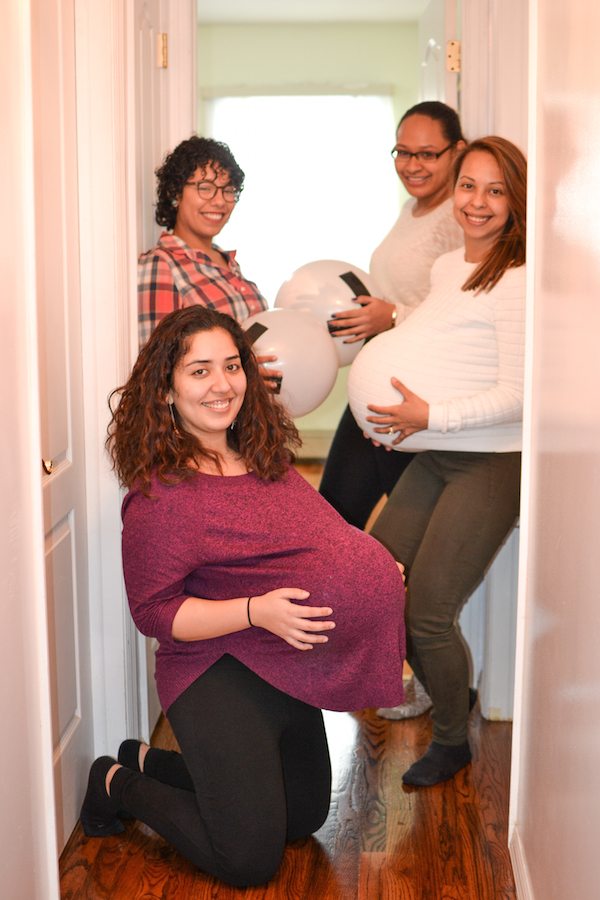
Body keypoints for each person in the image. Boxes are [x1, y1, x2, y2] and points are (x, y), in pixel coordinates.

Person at [79, 306, 406, 887]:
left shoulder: (263, 459)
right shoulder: (161, 497)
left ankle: (151, 760)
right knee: (249, 860)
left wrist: (378, 568)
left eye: (231, 366)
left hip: (284, 661)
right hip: (214, 666)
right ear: (165, 391)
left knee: (302, 817)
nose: (222, 384)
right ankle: (117, 782)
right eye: (199, 370)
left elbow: (325, 535)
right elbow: (153, 613)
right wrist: (257, 611)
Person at [361, 136, 527, 786]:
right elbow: (432, 339)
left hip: (489, 461)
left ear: (515, 202)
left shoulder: (519, 281)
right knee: (379, 580)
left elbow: (518, 394)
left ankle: (453, 739)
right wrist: (390, 417)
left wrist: (429, 419)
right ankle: (452, 691)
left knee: (428, 609)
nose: (477, 202)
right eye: (469, 186)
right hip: (433, 456)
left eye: (495, 190)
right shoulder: (449, 265)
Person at [320, 101, 466, 719]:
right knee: (329, 525)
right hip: (375, 401)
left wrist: (393, 316)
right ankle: (334, 656)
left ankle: (424, 677)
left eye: (426, 153)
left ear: (456, 151)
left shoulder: (461, 219)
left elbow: (461, 317)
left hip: (411, 407)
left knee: (398, 552)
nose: (411, 165)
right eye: (401, 152)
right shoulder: (412, 211)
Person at [138, 134, 280, 387]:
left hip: (245, 418)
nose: (219, 201)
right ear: (175, 193)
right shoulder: (161, 266)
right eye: (205, 187)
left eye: (228, 190)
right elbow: (158, 368)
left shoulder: (230, 265)